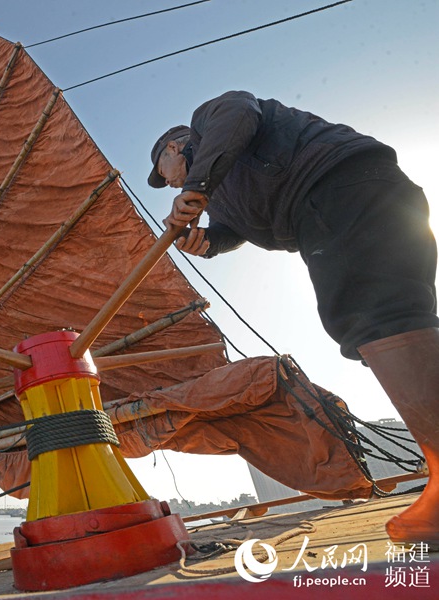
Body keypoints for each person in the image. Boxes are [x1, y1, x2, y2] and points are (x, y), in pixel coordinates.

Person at [148, 90, 438, 545]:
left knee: (376, 318)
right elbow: (238, 227)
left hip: (331, 191)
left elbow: (239, 112)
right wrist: (211, 242)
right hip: (359, 194)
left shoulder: (208, 120)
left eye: (163, 176)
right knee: (401, 323)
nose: (167, 185)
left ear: (171, 149)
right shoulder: (223, 190)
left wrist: (195, 184)